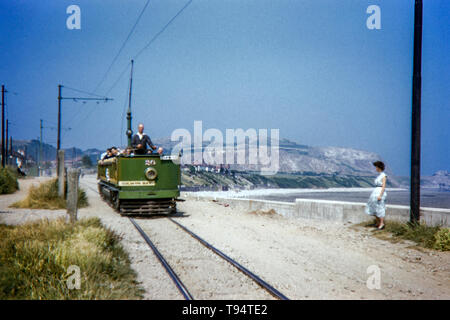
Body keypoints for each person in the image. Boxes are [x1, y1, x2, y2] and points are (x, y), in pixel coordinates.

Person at [365, 161, 387, 230]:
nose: (375, 168)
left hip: (380, 192)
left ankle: (381, 223)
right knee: (373, 206)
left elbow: (383, 186)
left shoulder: (384, 175)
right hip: (375, 191)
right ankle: (378, 222)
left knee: (380, 207)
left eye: (376, 167)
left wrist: (380, 195)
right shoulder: (379, 175)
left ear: (379, 167)